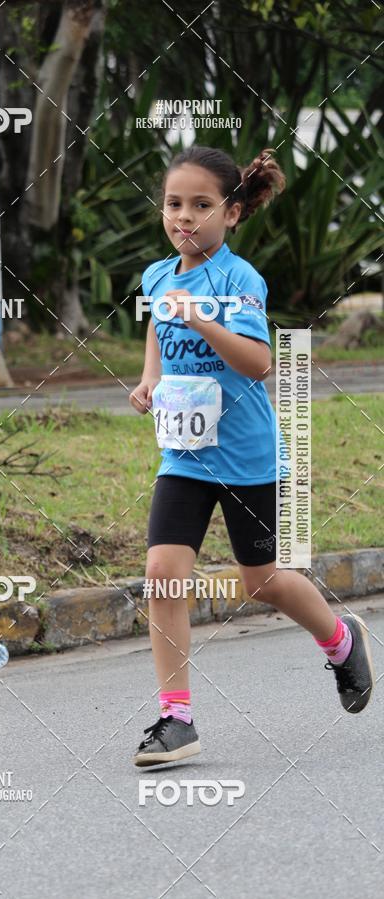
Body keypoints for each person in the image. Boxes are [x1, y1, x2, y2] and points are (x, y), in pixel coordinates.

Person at [129, 145, 375, 768]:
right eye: (173, 204)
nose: (184, 217)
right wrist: (150, 380)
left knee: (263, 582)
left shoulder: (240, 280)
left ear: (232, 213)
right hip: (184, 455)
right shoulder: (159, 277)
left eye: (202, 206)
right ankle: (175, 717)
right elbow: (158, 330)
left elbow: (259, 362)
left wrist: (205, 322)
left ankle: (341, 640)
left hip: (248, 458)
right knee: (162, 571)